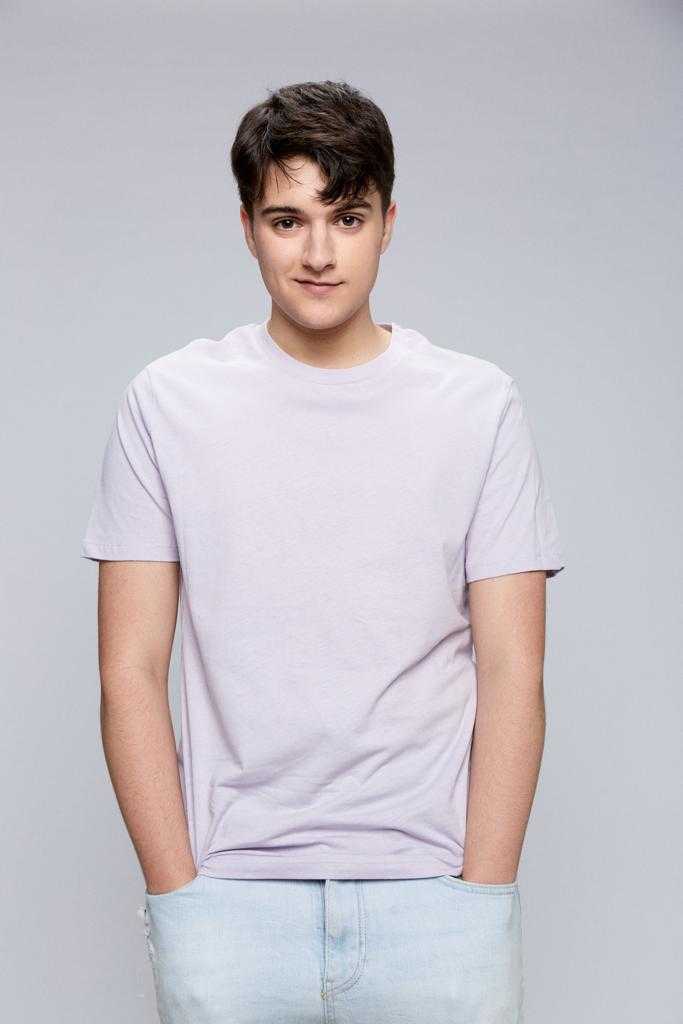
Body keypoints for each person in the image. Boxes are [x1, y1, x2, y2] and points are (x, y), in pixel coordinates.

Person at [81, 78, 565, 1023]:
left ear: (388, 224)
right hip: (228, 903)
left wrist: (483, 891)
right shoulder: (168, 403)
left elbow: (513, 668)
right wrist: (178, 891)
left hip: (436, 901)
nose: (316, 253)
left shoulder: (476, 406)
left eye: (346, 217)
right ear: (246, 228)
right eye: (286, 219)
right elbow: (128, 669)